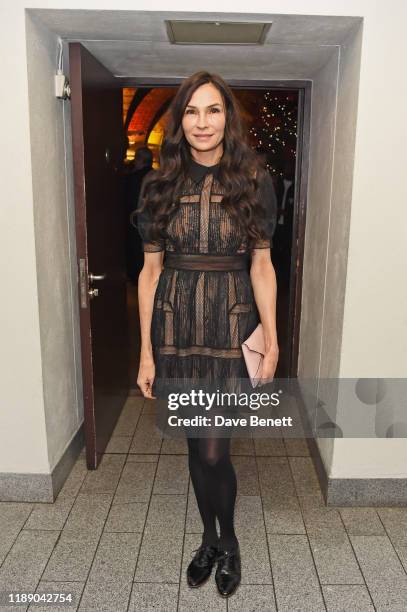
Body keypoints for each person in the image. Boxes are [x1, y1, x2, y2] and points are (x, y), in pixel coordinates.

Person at [135, 71, 279, 598]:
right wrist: (146, 353)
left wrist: (273, 339)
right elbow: (150, 274)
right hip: (175, 329)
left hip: (231, 325)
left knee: (216, 452)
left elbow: (262, 266)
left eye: (213, 110)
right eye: (192, 111)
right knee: (196, 449)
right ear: (180, 120)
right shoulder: (159, 183)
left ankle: (231, 542)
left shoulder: (253, 179)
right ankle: (209, 539)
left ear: (227, 118)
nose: (202, 122)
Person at [124, 146, 154, 283]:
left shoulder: (132, 179)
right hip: (156, 224)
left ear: (139, 160)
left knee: (136, 254)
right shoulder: (160, 178)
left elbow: (126, 201)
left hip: (134, 222)